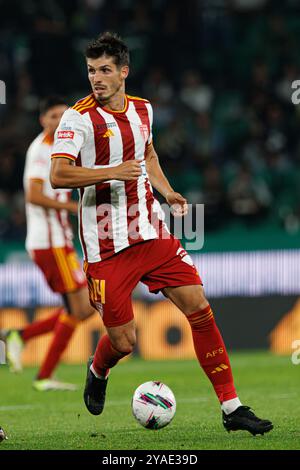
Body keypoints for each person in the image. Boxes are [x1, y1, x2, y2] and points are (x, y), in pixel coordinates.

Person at [50, 32, 273, 435]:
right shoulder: (77, 118)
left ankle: (232, 407)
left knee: (199, 306)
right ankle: (98, 369)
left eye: (104, 70)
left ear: (124, 72)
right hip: (107, 248)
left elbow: (147, 154)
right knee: (124, 342)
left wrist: (167, 191)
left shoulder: (143, 110)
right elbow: (59, 173)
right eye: (90, 71)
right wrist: (110, 172)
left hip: (151, 231)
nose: (96, 78)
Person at [1, 96, 95, 391]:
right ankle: (42, 373)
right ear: (43, 119)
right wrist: (73, 209)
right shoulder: (40, 151)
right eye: (53, 115)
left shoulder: (60, 146)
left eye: (63, 115)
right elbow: (33, 196)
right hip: (48, 242)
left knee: (81, 307)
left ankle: (20, 337)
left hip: (58, 241)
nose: (58, 120)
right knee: (81, 307)